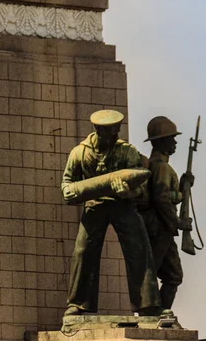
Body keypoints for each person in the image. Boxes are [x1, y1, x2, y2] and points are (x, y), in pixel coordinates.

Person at [61, 110, 161, 316]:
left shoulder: (128, 152)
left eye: (117, 131)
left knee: (139, 248)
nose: (116, 135)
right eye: (111, 132)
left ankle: (148, 304)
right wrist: (77, 192)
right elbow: (67, 185)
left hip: (123, 205)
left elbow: (141, 190)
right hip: (94, 205)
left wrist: (127, 192)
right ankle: (78, 303)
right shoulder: (79, 153)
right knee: (83, 251)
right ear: (99, 130)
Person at [139, 116, 194, 310]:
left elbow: (166, 195)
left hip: (161, 227)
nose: (175, 142)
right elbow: (161, 199)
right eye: (172, 138)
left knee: (170, 274)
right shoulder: (161, 167)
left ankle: (158, 313)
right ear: (162, 141)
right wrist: (178, 222)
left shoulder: (158, 165)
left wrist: (182, 186)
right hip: (159, 228)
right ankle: (153, 313)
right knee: (156, 273)